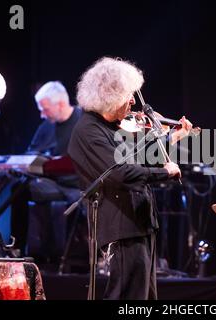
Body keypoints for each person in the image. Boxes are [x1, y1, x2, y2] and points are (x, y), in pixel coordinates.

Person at [68, 57, 192, 300]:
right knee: (127, 296)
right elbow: (120, 174)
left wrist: (173, 139)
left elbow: (141, 156)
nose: (134, 101)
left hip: (140, 222)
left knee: (144, 297)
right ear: (109, 96)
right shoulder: (88, 131)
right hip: (120, 226)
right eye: (127, 95)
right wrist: (164, 172)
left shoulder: (113, 126)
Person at [11, 81, 83, 261]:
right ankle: (17, 248)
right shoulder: (47, 126)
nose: (42, 115)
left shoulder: (84, 120)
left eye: (45, 109)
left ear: (60, 104)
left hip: (80, 186)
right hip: (54, 184)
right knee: (19, 189)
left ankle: (76, 256)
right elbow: (31, 155)